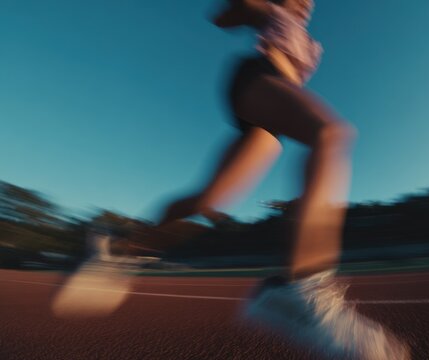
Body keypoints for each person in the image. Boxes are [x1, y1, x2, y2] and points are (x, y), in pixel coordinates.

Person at [81, 0, 409, 358]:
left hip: (271, 111)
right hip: (256, 78)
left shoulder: (312, 45)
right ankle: (298, 288)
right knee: (331, 133)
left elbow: (293, 82)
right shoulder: (273, 10)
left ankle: (122, 249)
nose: (307, 4)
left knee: (209, 200)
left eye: (310, 3)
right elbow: (224, 17)